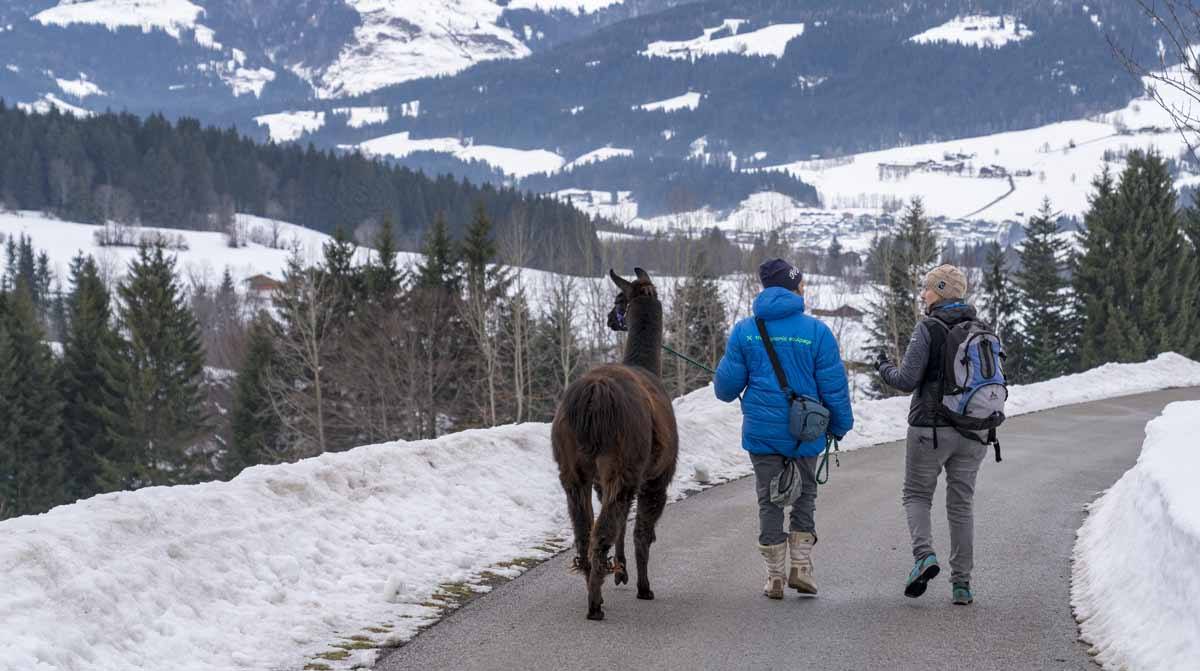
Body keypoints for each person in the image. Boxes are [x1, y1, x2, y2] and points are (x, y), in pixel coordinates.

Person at [714, 258, 854, 599]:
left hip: (762, 432)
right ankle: (801, 568)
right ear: (793, 287)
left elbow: (725, 389)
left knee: (769, 500)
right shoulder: (817, 332)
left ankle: (774, 577)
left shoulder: (746, 331)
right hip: (806, 428)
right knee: (805, 495)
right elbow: (833, 386)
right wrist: (840, 424)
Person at [875, 263, 984, 606]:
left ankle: (924, 557)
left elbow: (907, 379)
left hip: (930, 429)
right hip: (973, 430)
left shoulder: (929, 328)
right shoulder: (981, 328)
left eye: (927, 289)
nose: (922, 294)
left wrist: (883, 368)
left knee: (917, 495)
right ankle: (962, 584)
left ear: (940, 291)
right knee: (961, 504)